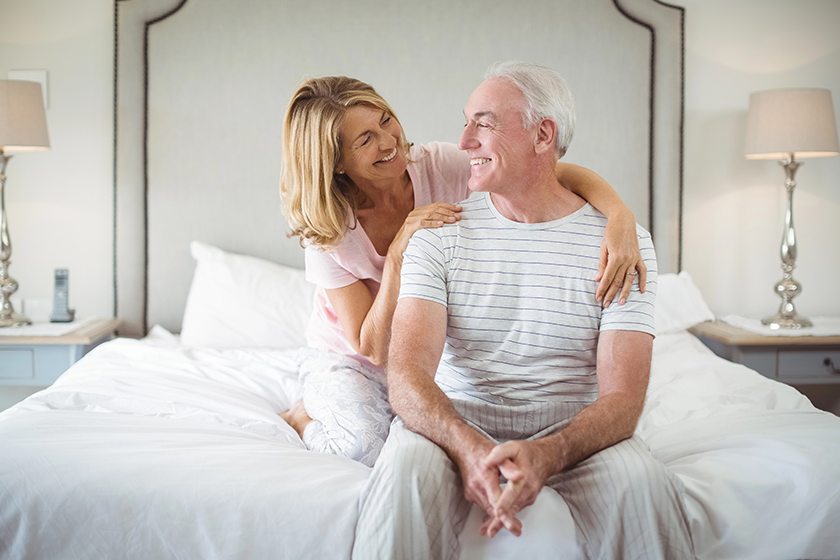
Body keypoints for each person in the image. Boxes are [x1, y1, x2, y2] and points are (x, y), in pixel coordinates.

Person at [351, 62, 695, 559]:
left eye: (483, 123)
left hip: (576, 428)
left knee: (642, 483)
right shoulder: (436, 233)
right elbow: (405, 377)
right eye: (465, 121)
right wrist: (469, 450)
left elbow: (623, 397)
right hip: (454, 421)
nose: (464, 139)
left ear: (543, 134)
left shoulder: (622, 245)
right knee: (402, 473)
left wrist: (547, 453)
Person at [278, 75, 648, 468]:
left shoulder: (437, 166)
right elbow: (371, 347)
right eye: (365, 140)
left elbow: (550, 172)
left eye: (385, 120)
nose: (388, 141)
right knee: (370, 450)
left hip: (424, 347)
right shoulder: (327, 229)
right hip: (354, 357)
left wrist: (620, 216)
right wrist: (401, 250)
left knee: (432, 434)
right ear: (336, 163)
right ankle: (302, 416)